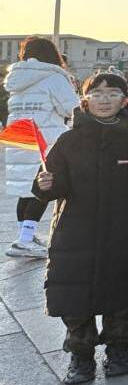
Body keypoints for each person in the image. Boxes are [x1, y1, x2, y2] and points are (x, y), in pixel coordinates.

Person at [33, 72, 128, 384]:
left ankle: (119, 348)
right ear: (85, 100)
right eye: (96, 93)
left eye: (112, 93)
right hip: (75, 230)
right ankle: (81, 353)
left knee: (121, 290)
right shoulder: (69, 139)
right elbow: (52, 180)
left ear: (124, 100)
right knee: (73, 294)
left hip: (122, 228)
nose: (104, 99)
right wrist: (45, 184)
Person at [3, 36, 78, 259]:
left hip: (20, 136)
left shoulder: (16, 80)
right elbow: (71, 109)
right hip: (45, 138)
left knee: (26, 187)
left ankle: (24, 237)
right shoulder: (54, 78)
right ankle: (25, 240)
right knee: (43, 187)